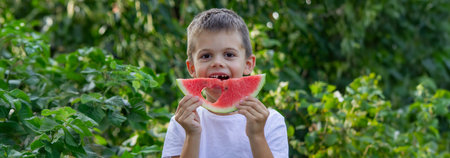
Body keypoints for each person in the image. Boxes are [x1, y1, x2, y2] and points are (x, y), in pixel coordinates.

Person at [162, 8, 288, 158]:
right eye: (206, 55)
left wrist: (257, 135)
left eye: (229, 54)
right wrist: (192, 135)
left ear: (248, 64)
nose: (217, 62)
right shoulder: (182, 123)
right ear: (192, 68)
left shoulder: (270, 121)